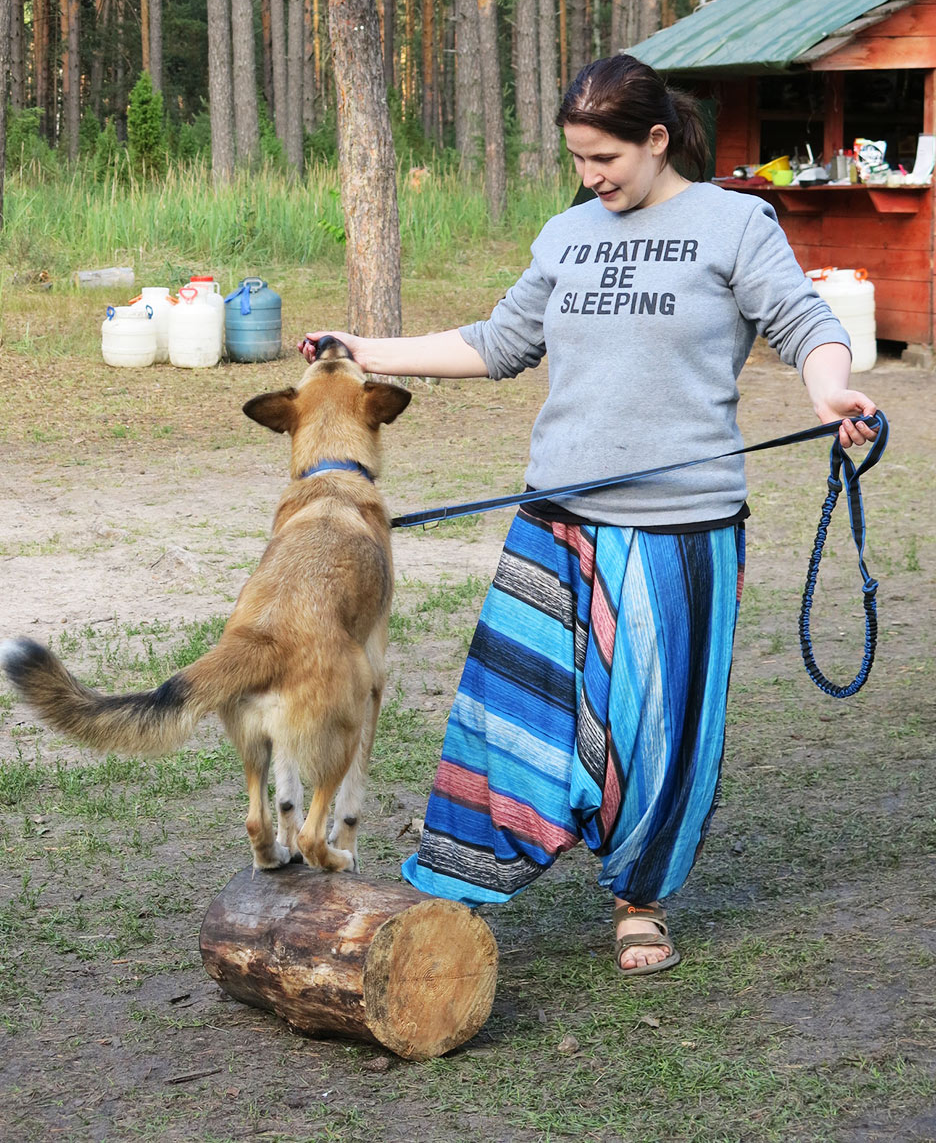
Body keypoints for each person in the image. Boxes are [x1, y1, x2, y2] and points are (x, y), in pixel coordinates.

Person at [300, 54, 878, 975]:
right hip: (556, 516)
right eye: (577, 158)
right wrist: (364, 347)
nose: (591, 176)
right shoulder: (568, 235)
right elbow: (498, 342)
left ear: (657, 139)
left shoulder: (735, 224)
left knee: (658, 725)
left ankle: (638, 898)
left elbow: (807, 325)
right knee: (516, 709)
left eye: (605, 156)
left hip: (679, 528)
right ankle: (468, 874)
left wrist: (832, 392)